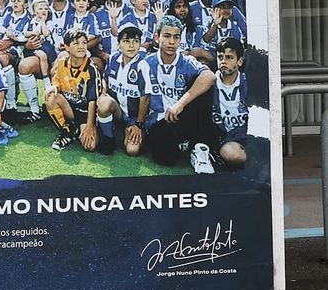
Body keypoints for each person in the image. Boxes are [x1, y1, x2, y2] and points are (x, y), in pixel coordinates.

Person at [136, 16, 216, 173]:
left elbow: (210, 77)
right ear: (157, 37)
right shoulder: (146, 64)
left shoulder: (187, 61)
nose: (172, 42)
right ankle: (185, 142)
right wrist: (138, 125)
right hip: (159, 121)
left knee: (204, 87)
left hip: (182, 113)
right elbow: (144, 98)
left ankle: (200, 148)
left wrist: (179, 104)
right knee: (166, 159)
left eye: (176, 37)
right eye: (167, 36)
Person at [45, 29, 101, 152]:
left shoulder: (91, 69)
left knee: (90, 146)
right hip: (69, 108)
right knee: (50, 95)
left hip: (86, 113)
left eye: (84, 43)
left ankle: (81, 128)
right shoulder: (61, 63)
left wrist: (89, 127)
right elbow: (57, 83)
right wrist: (54, 86)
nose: (81, 47)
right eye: (76, 43)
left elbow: (93, 101)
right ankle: (67, 131)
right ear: (67, 47)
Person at [97, 25, 147, 156]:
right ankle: (108, 138)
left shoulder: (144, 64)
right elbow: (105, 79)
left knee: (132, 150)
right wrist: (103, 92)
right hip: (118, 110)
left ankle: (136, 131)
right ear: (119, 44)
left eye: (135, 41)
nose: (131, 45)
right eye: (126, 41)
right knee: (104, 103)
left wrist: (139, 125)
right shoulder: (114, 58)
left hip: (135, 117)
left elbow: (145, 98)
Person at [212, 36, 249, 168]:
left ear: (239, 61)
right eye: (220, 57)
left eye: (229, 57)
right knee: (231, 154)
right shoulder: (209, 82)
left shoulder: (248, 83)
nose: (223, 62)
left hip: (243, 136)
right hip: (221, 137)